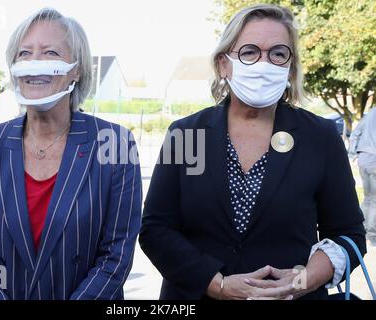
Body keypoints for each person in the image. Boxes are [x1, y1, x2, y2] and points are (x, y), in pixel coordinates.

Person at [139, 4, 366, 300]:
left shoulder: (320, 137)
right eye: (249, 52)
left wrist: (303, 280)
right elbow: (156, 229)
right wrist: (216, 284)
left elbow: (349, 235)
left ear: (290, 67)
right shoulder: (185, 133)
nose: (264, 63)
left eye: (278, 54)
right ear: (223, 64)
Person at [0, 8, 142, 300]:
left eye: (51, 52)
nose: (35, 63)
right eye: (24, 53)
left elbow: (116, 254)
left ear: (76, 70)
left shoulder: (115, 144)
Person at [349, 108, 376, 246]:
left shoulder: (371, 112)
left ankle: (361, 229)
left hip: (363, 158)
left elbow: (355, 134)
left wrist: (353, 154)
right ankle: (372, 236)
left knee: (368, 197)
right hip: (374, 159)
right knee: (374, 200)